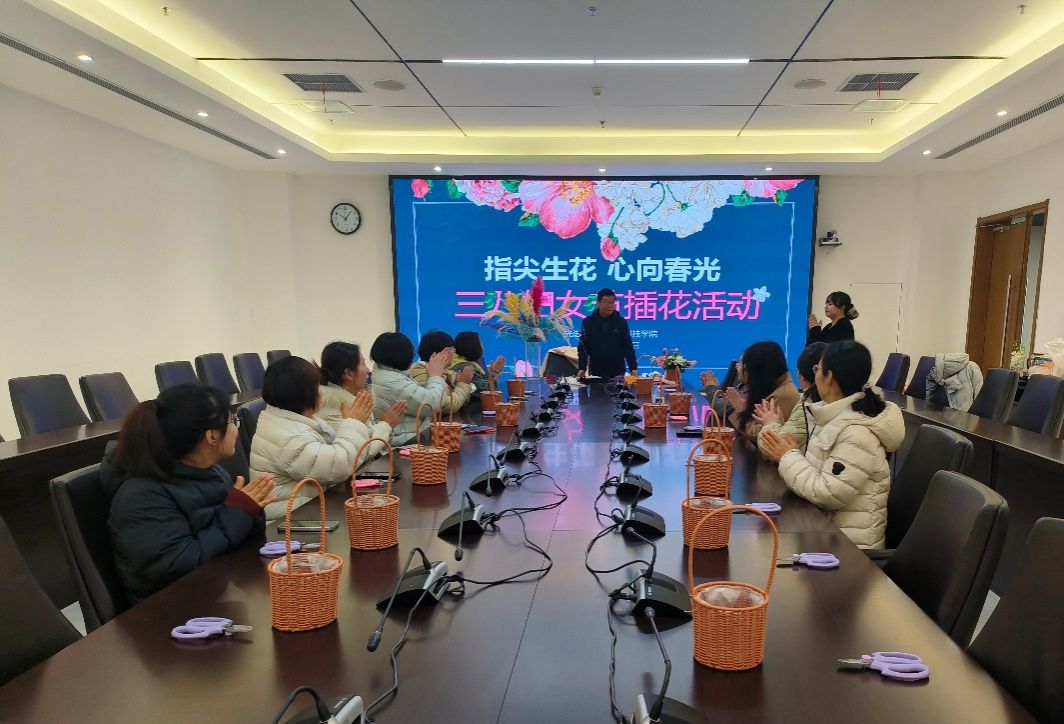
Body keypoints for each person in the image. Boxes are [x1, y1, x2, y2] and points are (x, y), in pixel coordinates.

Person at [101, 384, 275, 604]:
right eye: (232, 421)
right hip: (170, 611)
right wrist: (237, 513)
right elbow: (176, 565)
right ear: (212, 436)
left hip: (215, 589)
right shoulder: (141, 497)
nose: (235, 428)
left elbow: (232, 536)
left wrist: (249, 510)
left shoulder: (209, 471)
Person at [760, 341, 905, 549]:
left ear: (829, 377)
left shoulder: (857, 432)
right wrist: (789, 454)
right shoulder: (831, 415)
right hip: (824, 534)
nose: (815, 375)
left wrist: (788, 456)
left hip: (849, 550)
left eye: (817, 369)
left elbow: (827, 493)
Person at [250, 356, 404, 521]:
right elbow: (339, 466)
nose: (321, 392)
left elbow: (351, 454)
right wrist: (353, 423)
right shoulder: (288, 436)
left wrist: (363, 425)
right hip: (290, 520)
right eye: (316, 387)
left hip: (308, 507)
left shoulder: (295, 420)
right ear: (304, 394)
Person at [317, 340, 406, 457]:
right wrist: (386, 424)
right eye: (363, 364)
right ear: (349, 374)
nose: (368, 370)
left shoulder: (353, 398)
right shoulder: (332, 405)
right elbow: (361, 453)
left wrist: (387, 426)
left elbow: (372, 441)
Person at [701, 341, 799, 442]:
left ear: (751, 370)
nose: (737, 368)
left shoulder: (784, 396)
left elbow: (760, 435)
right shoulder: (767, 385)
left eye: (740, 365)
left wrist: (740, 410)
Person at [369, 332, 450, 444]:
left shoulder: (390, 375)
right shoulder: (393, 382)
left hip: (408, 438)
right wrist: (436, 376)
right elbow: (432, 404)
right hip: (404, 443)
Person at [754, 342, 826, 456]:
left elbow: (770, 447)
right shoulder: (810, 400)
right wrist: (780, 426)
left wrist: (770, 424)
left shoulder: (809, 405)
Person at [408, 329, 475, 413]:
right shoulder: (420, 372)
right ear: (441, 353)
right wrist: (463, 384)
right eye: (452, 350)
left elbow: (462, 401)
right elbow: (447, 406)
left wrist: (464, 383)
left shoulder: (445, 372)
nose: (454, 354)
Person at [577, 288, 637, 379]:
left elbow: (628, 346)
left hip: (618, 370)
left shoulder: (621, 322)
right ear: (598, 303)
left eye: (612, 302)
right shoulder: (588, 322)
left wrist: (633, 367)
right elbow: (583, 347)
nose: (609, 305)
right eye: (605, 302)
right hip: (596, 370)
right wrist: (582, 367)